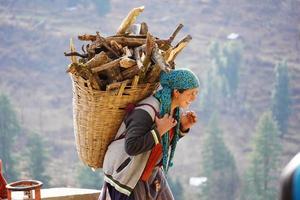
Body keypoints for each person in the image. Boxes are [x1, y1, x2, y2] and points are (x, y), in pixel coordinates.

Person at [100, 68, 200, 200]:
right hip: (131, 175)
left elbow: (160, 143)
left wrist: (182, 127)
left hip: (151, 172)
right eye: (191, 93)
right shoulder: (146, 111)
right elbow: (131, 147)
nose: (194, 98)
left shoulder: (172, 111)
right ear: (176, 92)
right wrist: (159, 131)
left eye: (196, 93)